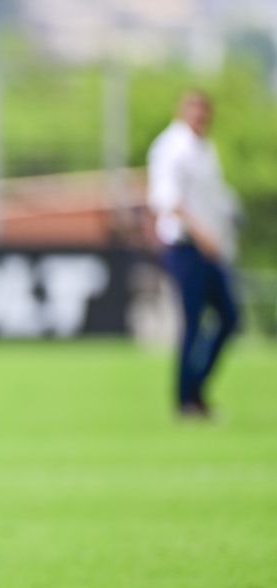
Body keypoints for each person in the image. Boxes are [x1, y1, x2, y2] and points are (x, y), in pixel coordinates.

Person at [147, 90, 240, 418]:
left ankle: (196, 390)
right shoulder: (172, 147)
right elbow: (167, 200)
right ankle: (186, 400)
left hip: (212, 249)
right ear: (183, 111)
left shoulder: (205, 149)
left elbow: (215, 198)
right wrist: (202, 236)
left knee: (229, 318)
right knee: (194, 323)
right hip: (186, 247)